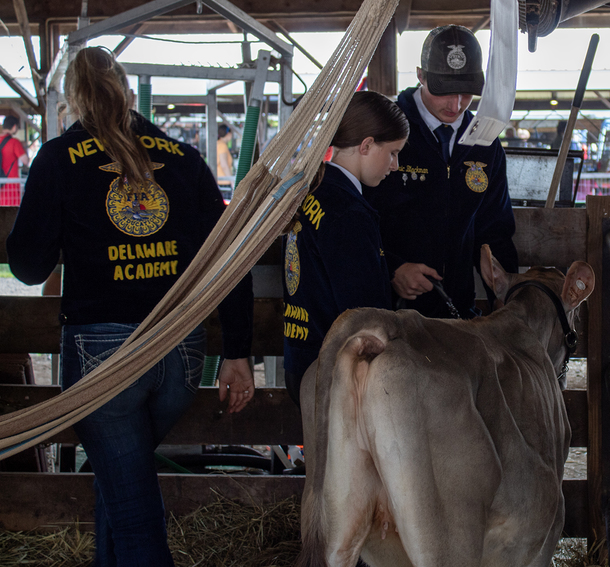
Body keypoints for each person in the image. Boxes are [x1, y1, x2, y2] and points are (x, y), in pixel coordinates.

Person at [5, 47, 255, 566]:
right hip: (180, 351)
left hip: (103, 353)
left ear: (73, 99)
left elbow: (29, 268)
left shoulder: (57, 160)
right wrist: (238, 351)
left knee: (136, 512)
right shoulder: (184, 160)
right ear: (125, 90)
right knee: (122, 478)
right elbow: (230, 258)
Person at [363, 24, 517, 320]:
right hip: (389, 309)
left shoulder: (484, 143)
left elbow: (494, 227)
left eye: (467, 93)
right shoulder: (386, 131)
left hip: (456, 309)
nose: (456, 105)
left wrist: (505, 291)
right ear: (421, 76)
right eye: (444, 92)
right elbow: (360, 215)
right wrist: (392, 268)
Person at [282, 90, 409, 405]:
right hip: (342, 375)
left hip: (303, 359)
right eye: (392, 153)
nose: (395, 165)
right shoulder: (349, 212)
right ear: (366, 145)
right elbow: (364, 313)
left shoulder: (312, 192)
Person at [1, 115, 30, 206]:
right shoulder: (14, 142)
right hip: (10, 187)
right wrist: (24, 147)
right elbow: (26, 161)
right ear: (14, 127)